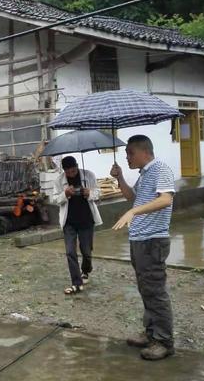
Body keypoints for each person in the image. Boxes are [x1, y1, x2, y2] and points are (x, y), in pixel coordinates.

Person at [111, 135, 175, 361]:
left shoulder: (160, 169)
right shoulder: (146, 173)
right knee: (146, 289)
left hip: (153, 240)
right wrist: (120, 179)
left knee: (155, 292)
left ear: (143, 152)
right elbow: (134, 198)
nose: (127, 157)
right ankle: (151, 333)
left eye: (130, 153)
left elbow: (165, 199)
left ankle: (164, 341)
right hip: (139, 240)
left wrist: (133, 213)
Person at [52, 156, 102, 295]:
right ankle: (76, 282)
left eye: (73, 170)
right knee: (70, 252)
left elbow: (99, 193)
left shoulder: (89, 175)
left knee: (86, 251)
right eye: (68, 172)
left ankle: (86, 270)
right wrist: (65, 194)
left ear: (77, 166)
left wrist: (89, 193)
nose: (71, 173)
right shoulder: (59, 181)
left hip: (86, 220)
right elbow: (55, 199)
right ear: (64, 170)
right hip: (69, 222)